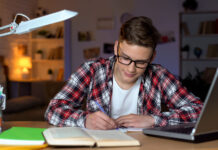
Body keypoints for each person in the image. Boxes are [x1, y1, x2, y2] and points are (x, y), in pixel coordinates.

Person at [45, 16, 203, 130]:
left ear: (152, 57)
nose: (131, 69)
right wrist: (84, 120)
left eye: (141, 62)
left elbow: (198, 110)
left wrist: (154, 120)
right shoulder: (91, 70)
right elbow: (53, 110)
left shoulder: (159, 75)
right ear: (116, 48)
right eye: (125, 58)